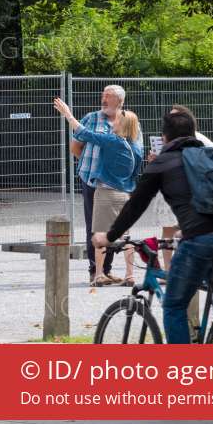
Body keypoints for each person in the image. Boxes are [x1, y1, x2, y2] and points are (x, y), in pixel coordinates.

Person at [93, 107, 213, 344]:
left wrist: (110, 236)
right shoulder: (212, 155)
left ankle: (180, 364)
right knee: (211, 265)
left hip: (201, 239)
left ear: (164, 137)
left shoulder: (163, 162)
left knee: (174, 306)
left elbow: (135, 205)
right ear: (193, 132)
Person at [54, 96, 143, 285]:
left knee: (100, 234)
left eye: (117, 120)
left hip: (106, 193)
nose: (114, 122)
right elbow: (135, 173)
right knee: (126, 236)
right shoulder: (136, 147)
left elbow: (84, 133)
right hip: (125, 195)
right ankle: (130, 275)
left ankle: (100, 274)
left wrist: (67, 114)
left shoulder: (112, 141)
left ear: (123, 124)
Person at [140, 104, 213, 272]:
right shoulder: (167, 138)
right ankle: (169, 270)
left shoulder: (196, 137)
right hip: (167, 188)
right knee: (168, 230)